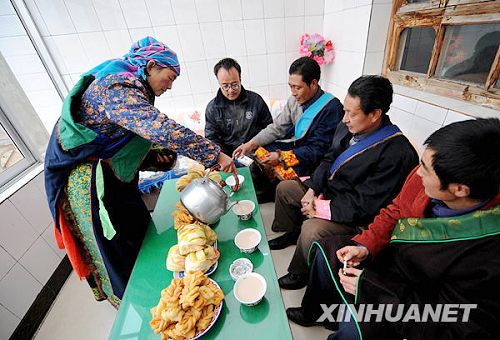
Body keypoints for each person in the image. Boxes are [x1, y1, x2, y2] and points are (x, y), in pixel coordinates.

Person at [44, 37, 236, 307]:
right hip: (91, 183)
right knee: (116, 243)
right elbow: (161, 128)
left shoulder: (134, 88)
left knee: (139, 227)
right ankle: (135, 304)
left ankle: (157, 285)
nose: (169, 86)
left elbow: (130, 135)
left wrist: (162, 155)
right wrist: (215, 154)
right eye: (169, 78)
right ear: (151, 66)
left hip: (117, 177)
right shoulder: (116, 86)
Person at [287, 118, 500, 340]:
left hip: (413, 295)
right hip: (390, 258)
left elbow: (451, 323)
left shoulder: (487, 256)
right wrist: (365, 246)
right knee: (328, 250)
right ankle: (319, 313)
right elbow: (396, 209)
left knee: (355, 329)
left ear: (459, 189)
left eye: (426, 170)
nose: (417, 173)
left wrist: (372, 289)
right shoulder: (426, 178)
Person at [270, 75, 418, 290]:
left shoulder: (396, 153)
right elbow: (329, 158)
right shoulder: (347, 127)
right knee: (286, 188)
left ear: (375, 114)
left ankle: (299, 272)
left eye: (352, 113)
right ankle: (292, 232)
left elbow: (366, 204)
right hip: (330, 193)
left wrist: (320, 209)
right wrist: (313, 189)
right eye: (345, 111)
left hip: (353, 214)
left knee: (313, 228)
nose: (344, 119)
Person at [233, 57, 344, 200]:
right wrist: (250, 144)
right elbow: (277, 127)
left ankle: (270, 193)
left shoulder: (331, 109)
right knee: (254, 153)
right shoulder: (294, 100)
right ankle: (261, 191)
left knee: (271, 164)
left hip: (311, 160)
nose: (293, 92)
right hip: (296, 147)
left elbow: (318, 151)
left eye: (298, 87)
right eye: (290, 86)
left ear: (314, 83)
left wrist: (281, 157)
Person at [205, 58, 273, 157]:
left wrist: (255, 147)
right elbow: (211, 138)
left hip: (256, 152)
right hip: (228, 158)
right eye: (225, 86)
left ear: (240, 79)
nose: (231, 90)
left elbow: (269, 129)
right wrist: (225, 157)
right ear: (219, 83)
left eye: (234, 84)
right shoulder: (212, 108)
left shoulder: (256, 100)